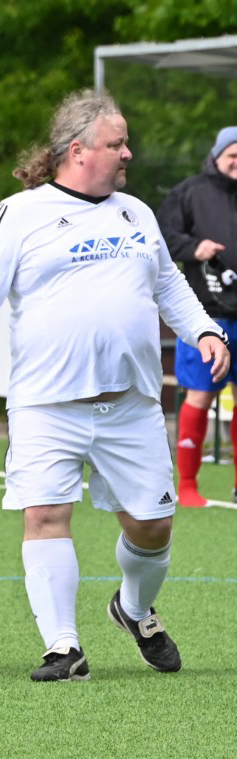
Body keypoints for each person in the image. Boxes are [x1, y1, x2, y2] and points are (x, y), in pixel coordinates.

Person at [0, 89, 230, 682]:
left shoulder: (137, 213)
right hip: (46, 405)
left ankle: (133, 609)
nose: (128, 153)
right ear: (77, 151)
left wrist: (204, 330)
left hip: (130, 404)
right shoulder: (19, 213)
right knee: (45, 515)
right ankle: (63, 647)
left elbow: (169, 284)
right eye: (116, 143)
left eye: (126, 143)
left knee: (152, 528)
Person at [157, 126, 237, 506]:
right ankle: (187, 485)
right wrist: (194, 247)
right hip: (206, 318)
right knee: (200, 396)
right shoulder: (189, 192)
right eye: (232, 156)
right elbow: (162, 238)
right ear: (216, 156)